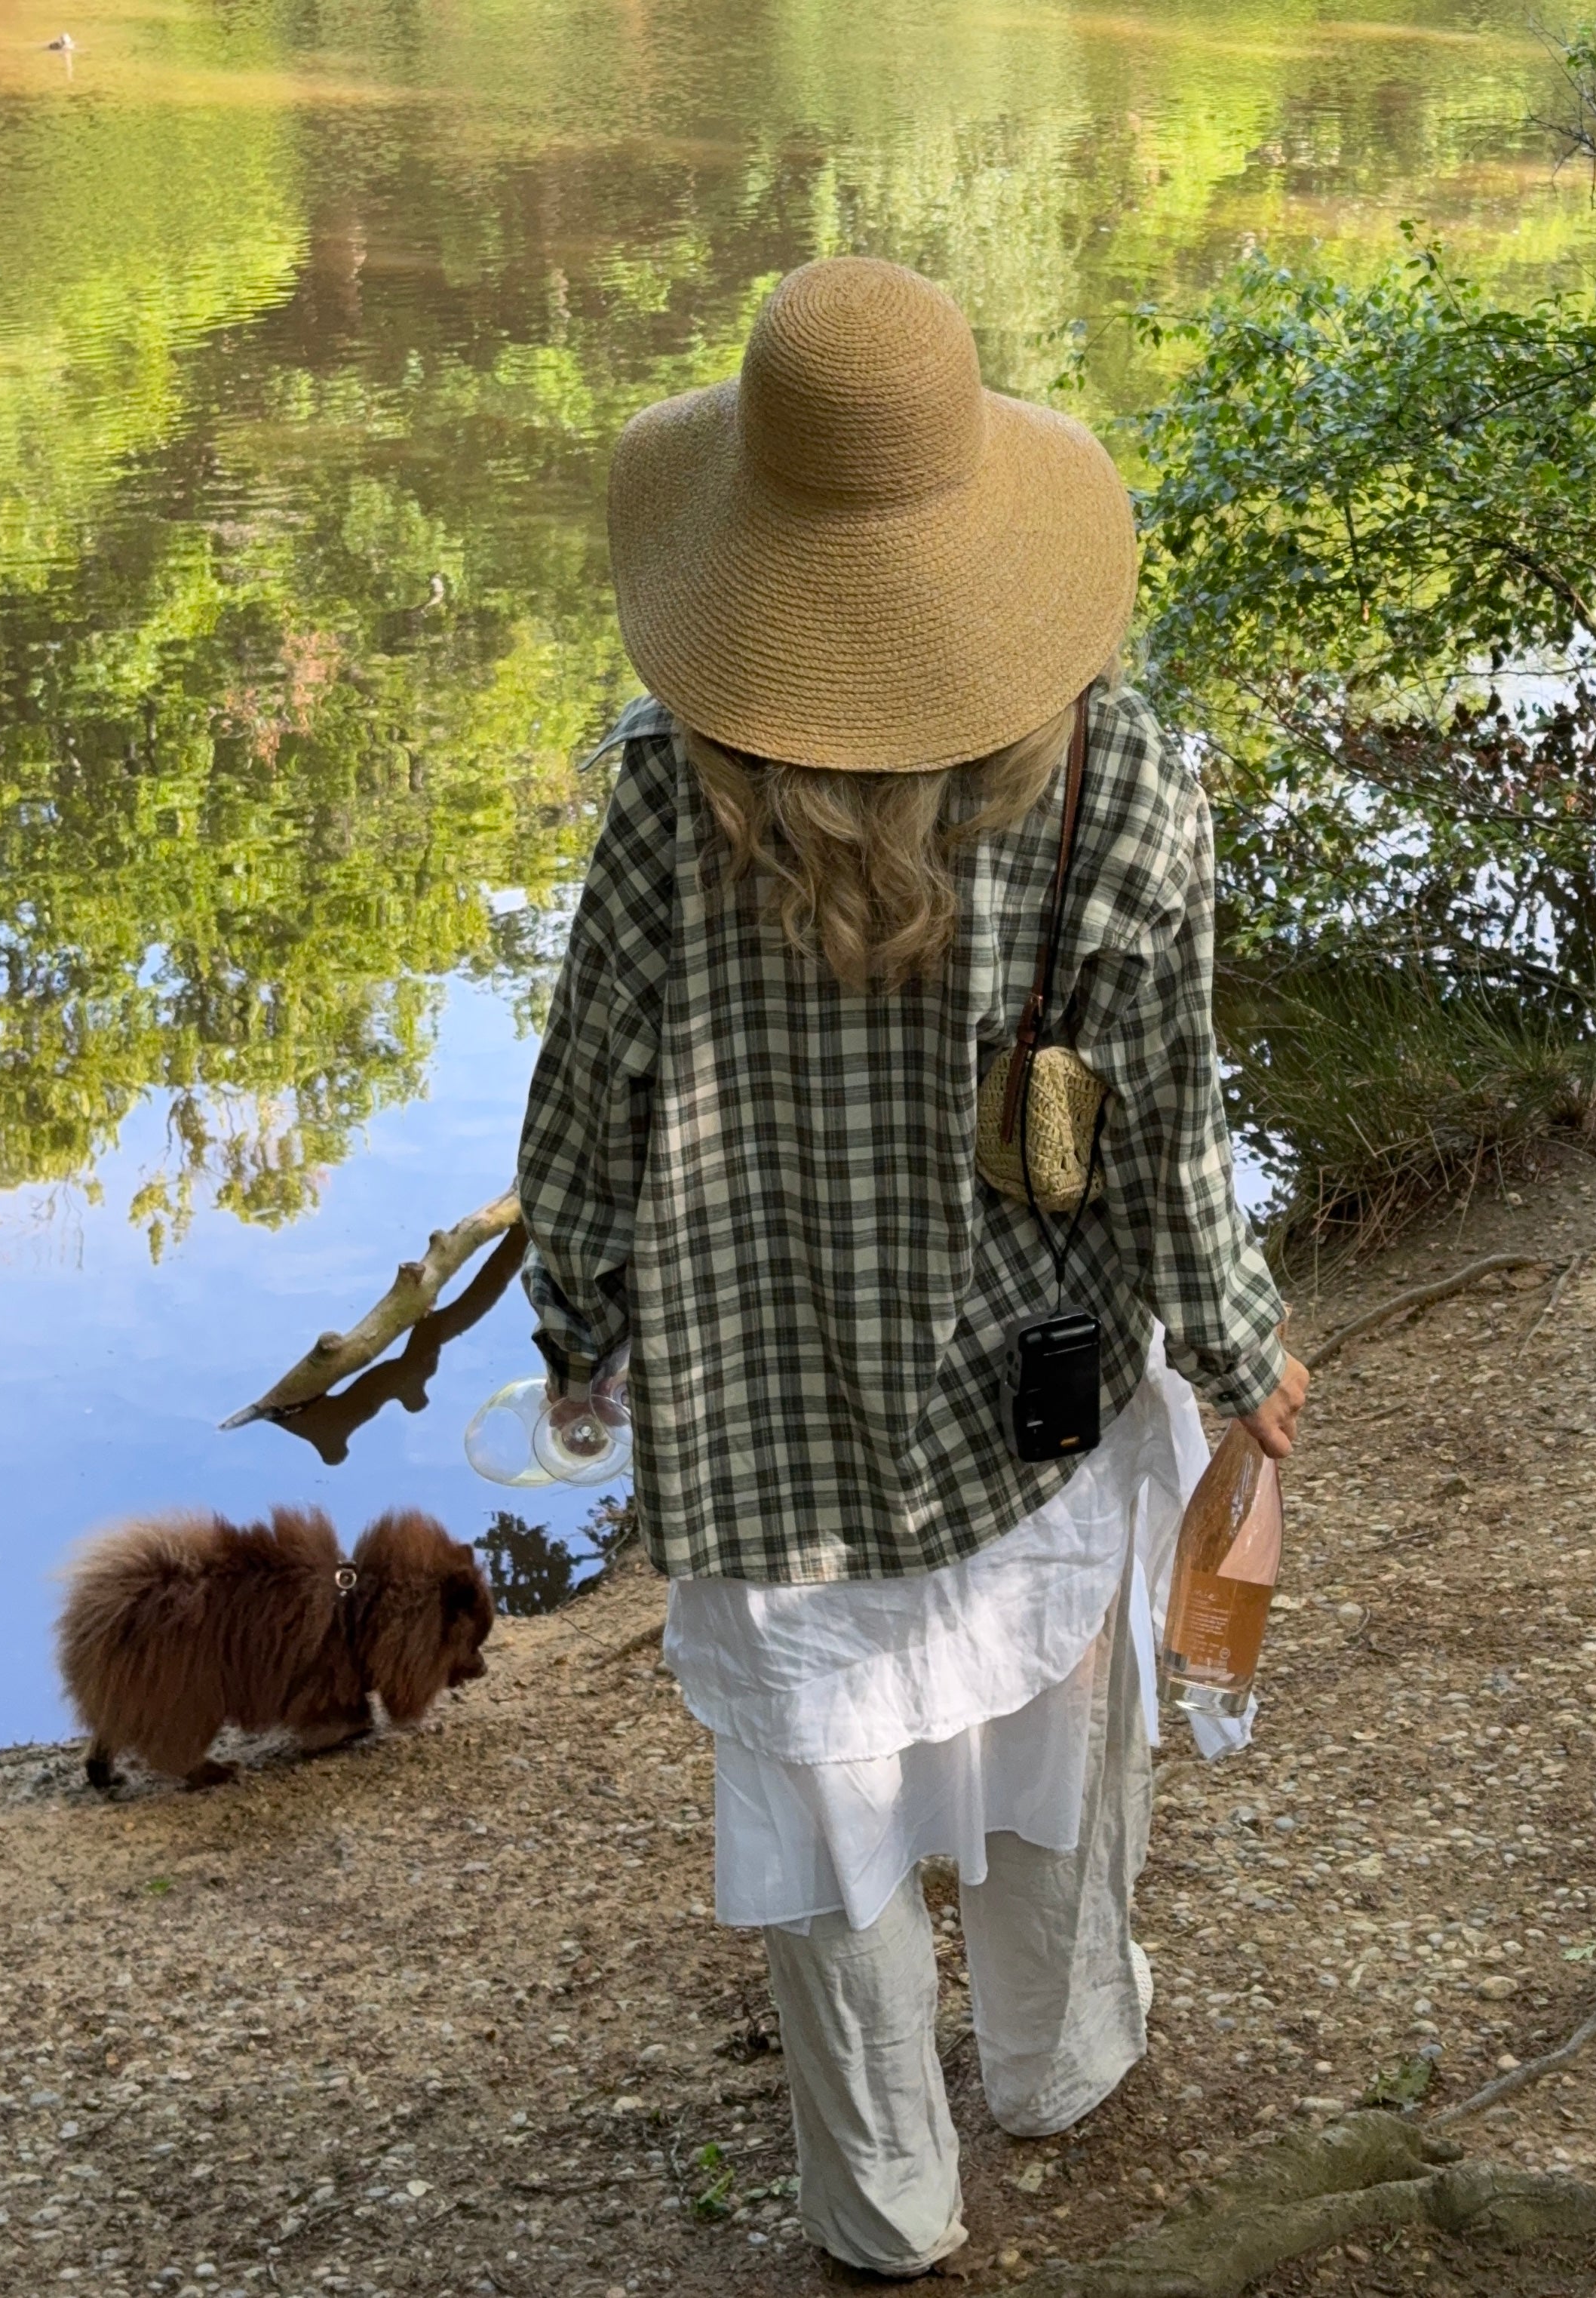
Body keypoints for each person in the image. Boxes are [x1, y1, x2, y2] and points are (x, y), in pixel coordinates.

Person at [517, 256, 1309, 2281]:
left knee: (828, 1806)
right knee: (1053, 1724)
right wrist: (1240, 1356)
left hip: (759, 1424)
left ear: (747, 534)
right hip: (1034, 1399)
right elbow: (1164, 1139)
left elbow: (587, 1102)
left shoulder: (661, 791)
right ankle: (1059, 2057)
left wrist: (580, 1332)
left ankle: (885, 2197)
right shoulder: (1123, 779)